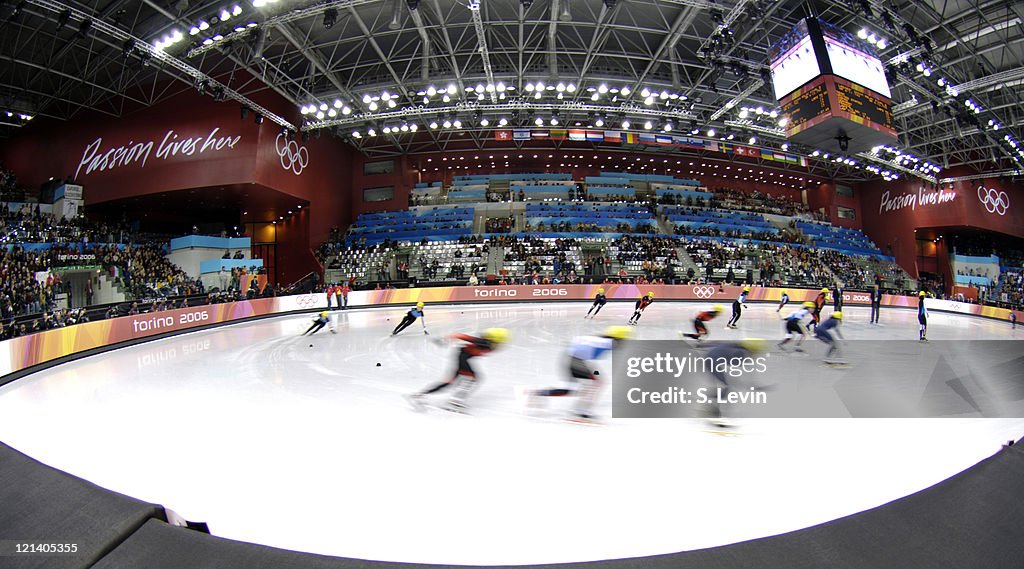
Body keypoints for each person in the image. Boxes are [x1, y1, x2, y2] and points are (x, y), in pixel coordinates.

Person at [525, 326, 633, 421]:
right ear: (618, 338)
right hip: (576, 362)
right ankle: (582, 409)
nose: (624, 343)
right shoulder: (608, 343)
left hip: (573, 359)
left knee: (570, 389)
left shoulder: (599, 339)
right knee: (595, 383)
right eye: (624, 340)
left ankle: (538, 393)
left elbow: (577, 343)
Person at [406, 328, 510, 412]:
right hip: (462, 357)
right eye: (500, 342)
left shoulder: (489, 344)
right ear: (494, 340)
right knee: (473, 378)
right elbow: (462, 336)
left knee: (449, 382)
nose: (500, 346)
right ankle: (455, 401)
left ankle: (419, 395)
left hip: (462, 356)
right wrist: (444, 339)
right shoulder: (484, 343)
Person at [700, 338, 767, 428]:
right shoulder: (741, 353)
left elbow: (719, 345)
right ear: (753, 349)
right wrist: (750, 384)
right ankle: (714, 411)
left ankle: (711, 407)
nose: (756, 355)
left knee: (726, 388)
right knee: (727, 389)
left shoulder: (738, 347)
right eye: (756, 352)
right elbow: (744, 371)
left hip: (710, 359)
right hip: (712, 362)